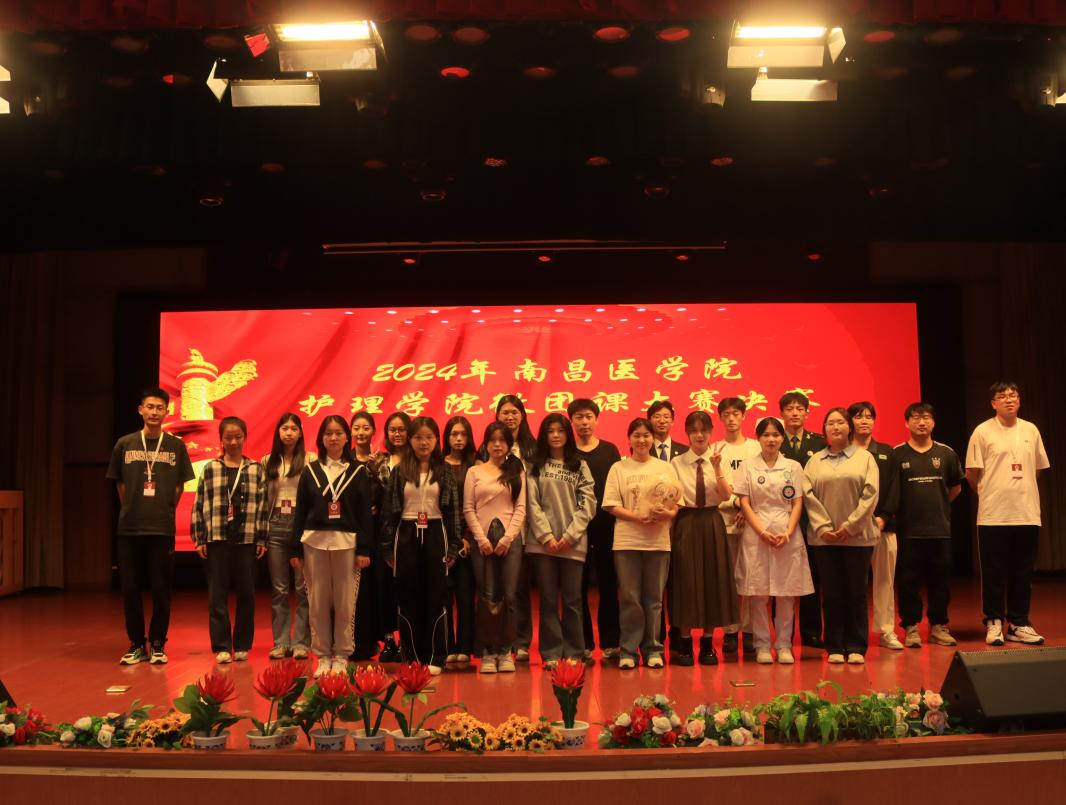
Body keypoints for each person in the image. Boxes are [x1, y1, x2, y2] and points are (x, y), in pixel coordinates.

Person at [107, 387, 195, 665]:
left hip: (161, 527)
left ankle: (158, 643)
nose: (154, 412)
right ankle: (136, 644)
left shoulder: (176, 446)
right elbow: (120, 483)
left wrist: (165, 509)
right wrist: (132, 508)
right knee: (130, 589)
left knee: (161, 589)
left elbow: (180, 485)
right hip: (130, 528)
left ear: (167, 411)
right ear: (140, 410)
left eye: (159, 408)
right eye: (150, 407)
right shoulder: (125, 443)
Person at [966, 382, 1050, 646]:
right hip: (993, 515)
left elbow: (1037, 469)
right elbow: (972, 473)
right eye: (1002, 396)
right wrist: (991, 493)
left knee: (1022, 571)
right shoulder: (982, 431)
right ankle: (993, 622)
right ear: (993, 403)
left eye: (1013, 395)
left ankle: (1019, 623)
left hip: (1026, 512)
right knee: (993, 571)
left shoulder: (1031, 430)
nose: (1009, 399)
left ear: (1019, 400)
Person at [292, 415, 374, 677]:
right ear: (321, 438)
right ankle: (323, 655)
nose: (333, 438)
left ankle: (341, 654)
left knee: (344, 602)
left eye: (338, 433)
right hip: (314, 542)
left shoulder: (358, 472)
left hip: (346, 544)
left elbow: (364, 514)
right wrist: (295, 549)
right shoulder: (310, 471)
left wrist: (364, 549)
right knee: (317, 602)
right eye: (328, 433)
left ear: (347, 437)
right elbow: (300, 512)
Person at [380, 417, 463, 675]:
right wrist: (387, 548)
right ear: (410, 440)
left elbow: (453, 512)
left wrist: (454, 546)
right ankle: (412, 657)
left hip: (437, 533)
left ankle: (437, 656)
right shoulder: (399, 471)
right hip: (405, 535)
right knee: (407, 596)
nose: (423, 442)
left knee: (437, 596)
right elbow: (389, 513)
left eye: (428, 437)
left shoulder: (445, 471)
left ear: (437, 440)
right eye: (418, 437)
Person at [602, 417, 681, 669]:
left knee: (654, 599)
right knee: (630, 598)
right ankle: (628, 650)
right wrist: (637, 517)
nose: (642, 440)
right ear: (629, 439)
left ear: (653, 439)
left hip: (658, 542)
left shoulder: (665, 468)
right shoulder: (619, 468)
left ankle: (653, 649)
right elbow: (611, 504)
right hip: (627, 541)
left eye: (646, 435)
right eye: (636, 435)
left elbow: (676, 503)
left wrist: (667, 514)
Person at [802, 407, 879, 664]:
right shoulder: (815, 461)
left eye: (840, 422)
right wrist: (824, 527)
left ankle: (856, 645)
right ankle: (834, 645)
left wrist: (850, 526)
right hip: (824, 539)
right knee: (832, 594)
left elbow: (871, 495)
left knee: (856, 593)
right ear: (824, 429)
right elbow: (807, 495)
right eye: (830, 423)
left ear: (850, 427)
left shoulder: (865, 458)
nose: (835, 427)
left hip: (858, 538)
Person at [734, 417, 813, 664]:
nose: (771, 439)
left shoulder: (793, 466)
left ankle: (784, 645)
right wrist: (761, 532)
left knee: (786, 593)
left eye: (776, 435)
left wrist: (788, 532)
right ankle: (762, 645)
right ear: (758, 438)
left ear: (782, 438)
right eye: (766, 435)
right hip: (756, 532)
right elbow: (744, 502)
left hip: (786, 531)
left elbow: (797, 502)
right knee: (757, 594)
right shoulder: (747, 466)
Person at [192, 416, 269, 663]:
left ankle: (243, 644)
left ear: (245, 438)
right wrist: (199, 538)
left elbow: (264, 506)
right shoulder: (210, 468)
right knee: (217, 595)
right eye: (228, 437)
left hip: (247, 538)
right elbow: (199, 504)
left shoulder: (255, 469)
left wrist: (262, 538)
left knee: (247, 594)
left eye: (238, 437)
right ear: (221, 439)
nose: (233, 442)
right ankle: (222, 646)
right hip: (217, 537)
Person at [526, 414, 596, 667]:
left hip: (573, 543)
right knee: (547, 600)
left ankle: (574, 653)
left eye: (560, 430)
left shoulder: (580, 465)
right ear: (543, 436)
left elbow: (588, 503)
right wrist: (546, 536)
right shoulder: (534, 465)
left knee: (573, 600)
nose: (555, 435)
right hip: (542, 544)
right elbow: (531, 503)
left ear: (568, 434)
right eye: (550, 431)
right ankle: (552, 654)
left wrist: (569, 535)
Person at [669, 411, 737, 666]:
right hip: (686, 522)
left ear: (711, 432)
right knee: (685, 581)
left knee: (712, 580)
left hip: (711, 521)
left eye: (704, 430)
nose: (699, 435)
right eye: (694, 431)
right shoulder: (677, 463)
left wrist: (717, 467)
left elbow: (726, 495)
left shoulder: (719, 459)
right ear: (687, 433)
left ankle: (708, 644)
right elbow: (673, 497)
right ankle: (685, 643)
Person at [895, 403, 964, 648]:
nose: (921, 422)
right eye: (915, 418)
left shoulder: (946, 453)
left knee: (940, 581)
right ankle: (910, 626)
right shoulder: (897, 454)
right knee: (908, 581)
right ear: (907, 423)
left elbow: (955, 488)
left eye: (926, 418)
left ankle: (938, 626)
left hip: (939, 529)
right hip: (908, 530)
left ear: (933, 422)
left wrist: (938, 505)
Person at [464, 422, 527, 674]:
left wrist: (507, 539)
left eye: (502, 440)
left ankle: (506, 651)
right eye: (493, 440)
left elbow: (521, 508)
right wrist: (481, 539)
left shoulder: (516, 470)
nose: (497, 444)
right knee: (487, 596)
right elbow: (468, 508)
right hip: (482, 542)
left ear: (509, 444)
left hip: (510, 540)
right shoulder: (474, 472)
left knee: (509, 596)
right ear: (486, 444)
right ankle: (488, 652)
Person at [570, 398, 622, 662]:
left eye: (588, 417)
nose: (584, 422)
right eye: (579, 417)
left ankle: (611, 642)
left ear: (597, 420)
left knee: (608, 584)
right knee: (576, 587)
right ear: (572, 421)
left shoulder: (610, 451)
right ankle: (583, 643)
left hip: (607, 526)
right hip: (576, 528)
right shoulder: (567, 453)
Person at [848, 401, 902, 650]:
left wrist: (884, 517)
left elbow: (894, 488)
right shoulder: (842, 452)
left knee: (884, 581)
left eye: (869, 417)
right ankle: (851, 631)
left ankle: (886, 630)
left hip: (883, 526)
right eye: (858, 417)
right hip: (851, 528)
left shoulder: (887, 452)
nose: (864, 421)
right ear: (850, 421)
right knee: (852, 583)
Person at [262, 413, 315, 660]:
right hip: (275, 525)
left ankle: (302, 642)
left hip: (300, 526)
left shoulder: (310, 459)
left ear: (300, 432)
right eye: (285, 428)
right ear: (278, 432)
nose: (289, 433)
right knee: (280, 589)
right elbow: (263, 498)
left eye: (294, 428)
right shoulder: (268, 461)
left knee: (303, 588)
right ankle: (281, 642)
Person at [490, 395, 538, 662]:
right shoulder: (489, 448)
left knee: (520, 587)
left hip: (527, 526)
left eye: (514, 412)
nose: (509, 417)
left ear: (522, 416)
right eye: (504, 412)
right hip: (495, 526)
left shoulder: (532, 449)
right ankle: (498, 640)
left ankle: (521, 641)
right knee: (497, 587)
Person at [779, 391, 828, 651]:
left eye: (799, 408)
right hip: (779, 517)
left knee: (812, 576)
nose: (795, 413)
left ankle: (811, 632)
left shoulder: (819, 443)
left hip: (811, 518)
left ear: (807, 413)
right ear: (782, 413)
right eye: (789, 408)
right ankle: (782, 634)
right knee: (779, 576)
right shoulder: (773, 440)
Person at [714, 396, 761, 660]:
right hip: (724, 520)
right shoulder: (715, 449)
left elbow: (763, 483)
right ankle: (730, 630)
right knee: (728, 578)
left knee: (751, 576)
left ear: (743, 416)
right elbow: (714, 486)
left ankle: (750, 630)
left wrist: (746, 507)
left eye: (736, 413)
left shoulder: (756, 447)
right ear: (720, 418)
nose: (731, 418)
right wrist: (735, 503)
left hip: (752, 520)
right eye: (726, 414)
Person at [374, 411, 411, 662]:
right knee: (385, 588)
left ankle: (408, 640)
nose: (397, 434)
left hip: (409, 530)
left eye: (401, 429)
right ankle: (389, 640)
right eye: (392, 430)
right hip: (384, 532)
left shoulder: (417, 461)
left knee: (406, 589)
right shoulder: (379, 461)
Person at [350, 410, 387, 661]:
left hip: (377, 530)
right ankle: (354, 641)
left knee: (375, 586)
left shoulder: (382, 460)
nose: (361, 432)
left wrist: (376, 470)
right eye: (357, 428)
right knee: (355, 589)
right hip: (353, 530)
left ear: (374, 431)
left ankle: (375, 640)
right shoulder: (346, 460)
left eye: (366, 428)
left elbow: (391, 493)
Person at [442, 416, 477, 664]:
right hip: (442, 538)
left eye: (463, 434)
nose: (458, 439)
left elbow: (477, 506)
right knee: (444, 596)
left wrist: (466, 538)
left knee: (465, 596)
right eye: (454, 434)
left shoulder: (476, 466)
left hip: (468, 540)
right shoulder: (437, 465)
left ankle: (465, 646)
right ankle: (445, 645)